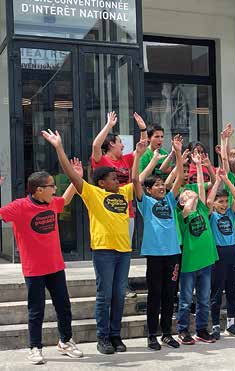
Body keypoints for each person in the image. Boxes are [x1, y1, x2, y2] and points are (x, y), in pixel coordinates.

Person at [42, 129, 138, 354]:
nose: (118, 179)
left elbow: (138, 178)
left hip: (124, 251)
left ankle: (115, 335)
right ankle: (103, 337)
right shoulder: (94, 193)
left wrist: (143, 155)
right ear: (102, 183)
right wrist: (59, 148)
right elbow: (73, 177)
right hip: (104, 252)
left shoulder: (124, 193)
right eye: (114, 178)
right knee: (104, 295)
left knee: (119, 295)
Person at [0, 164, 84, 364]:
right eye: (52, 186)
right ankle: (35, 347)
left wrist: (76, 178)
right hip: (34, 269)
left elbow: (66, 199)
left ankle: (65, 341)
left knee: (64, 306)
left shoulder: (52, 203)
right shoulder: (19, 206)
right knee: (36, 309)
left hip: (55, 266)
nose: (55, 189)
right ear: (39, 190)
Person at [134, 135, 184, 350]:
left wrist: (178, 153)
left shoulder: (170, 200)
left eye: (163, 184)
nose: (162, 187)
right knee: (154, 295)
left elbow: (180, 176)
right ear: (149, 190)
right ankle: (152, 335)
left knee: (169, 294)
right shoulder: (145, 203)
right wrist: (139, 155)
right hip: (155, 255)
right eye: (157, 185)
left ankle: (166, 333)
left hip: (173, 254)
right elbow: (135, 180)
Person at [91, 111, 148, 299]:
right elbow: (96, 145)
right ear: (112, 144)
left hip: (126, 210)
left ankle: (122, 285)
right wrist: (108, 125)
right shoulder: (102, 161)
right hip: (107, 211)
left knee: (125, 249)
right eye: (120, 142)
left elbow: (142, 149)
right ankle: (112, 285)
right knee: (110, 251)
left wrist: (143, 129)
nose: (123, 145)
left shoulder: (126, 160)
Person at [175, 162, 218, 345]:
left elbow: (201, 187)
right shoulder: (182, 214)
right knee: (185, 300)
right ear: (182, 201)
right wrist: (187, 198)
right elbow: (186, 208)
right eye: (185, 193)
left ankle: (201, 329)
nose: (190, 192)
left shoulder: (201, 208)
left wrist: (199, 167)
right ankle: (183, 330)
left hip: (206, 260)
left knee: (204, 299)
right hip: (189, 263)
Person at [207, 166, 235, 339]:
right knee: (217, 290)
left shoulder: (231, 213)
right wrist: (217, 182)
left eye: (225, 201)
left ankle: (230, 323)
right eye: (220, 202)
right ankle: (215, 325)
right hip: (219, 254)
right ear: (214, 203)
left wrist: (227, 181)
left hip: (233, 252)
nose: (224, 205)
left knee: (231, 290)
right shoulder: (211, 215)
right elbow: (207, 203)